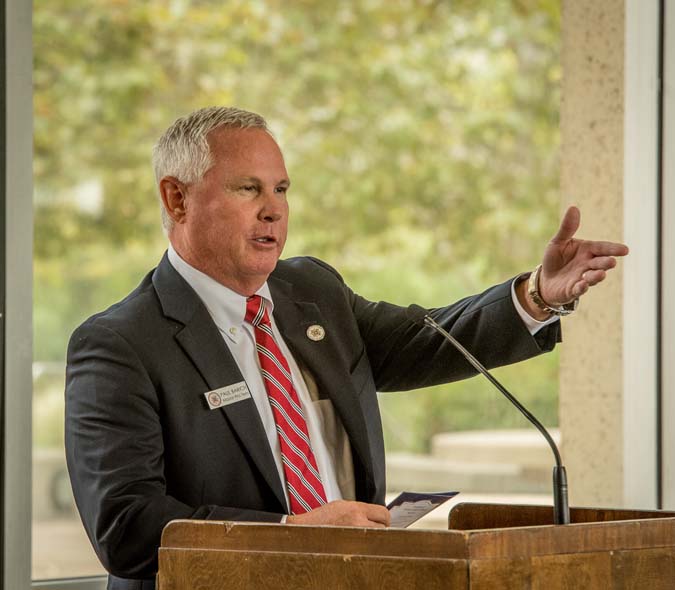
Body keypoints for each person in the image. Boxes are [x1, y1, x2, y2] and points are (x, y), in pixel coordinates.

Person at [65, 106, 628, 590]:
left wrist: (535, 296)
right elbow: (126, 524)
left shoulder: (313, 293)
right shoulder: (120, 344)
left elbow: (426, 341)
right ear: (177, 198)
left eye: (281, 189)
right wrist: (291, 537)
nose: (274, 209)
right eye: (248, 189)